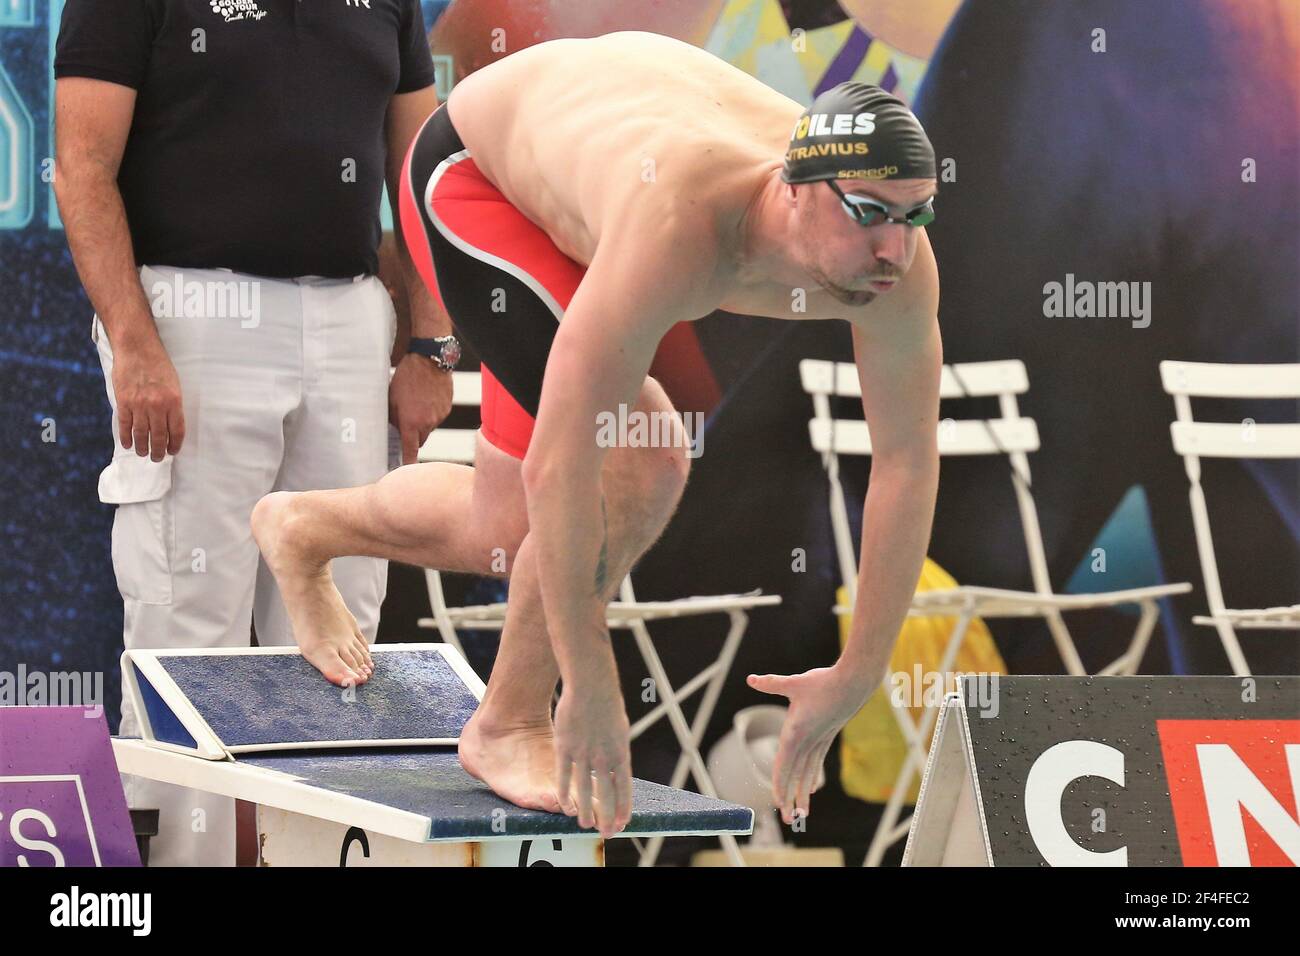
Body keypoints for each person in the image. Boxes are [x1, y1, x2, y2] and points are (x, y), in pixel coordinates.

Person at [251, 31, 942, 840]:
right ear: (794, 188)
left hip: (592, 189)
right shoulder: (684, 218)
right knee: (641, 450)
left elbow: (905, 462)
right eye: (868, 215)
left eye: (914, 215)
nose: (892, 248)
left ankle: (300, 527)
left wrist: (858, 671)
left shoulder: (897, 268)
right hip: (478, 178)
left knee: (505, 530)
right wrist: (587, 680)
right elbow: (566, 466)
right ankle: (508, 723)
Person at [54, 0, 450, 864]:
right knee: (189, 628)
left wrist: (429, 342)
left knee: (348, 624)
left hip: (350, 316)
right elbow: (81, 165)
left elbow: (418, 174)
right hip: (191, 316)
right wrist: (133, 342)